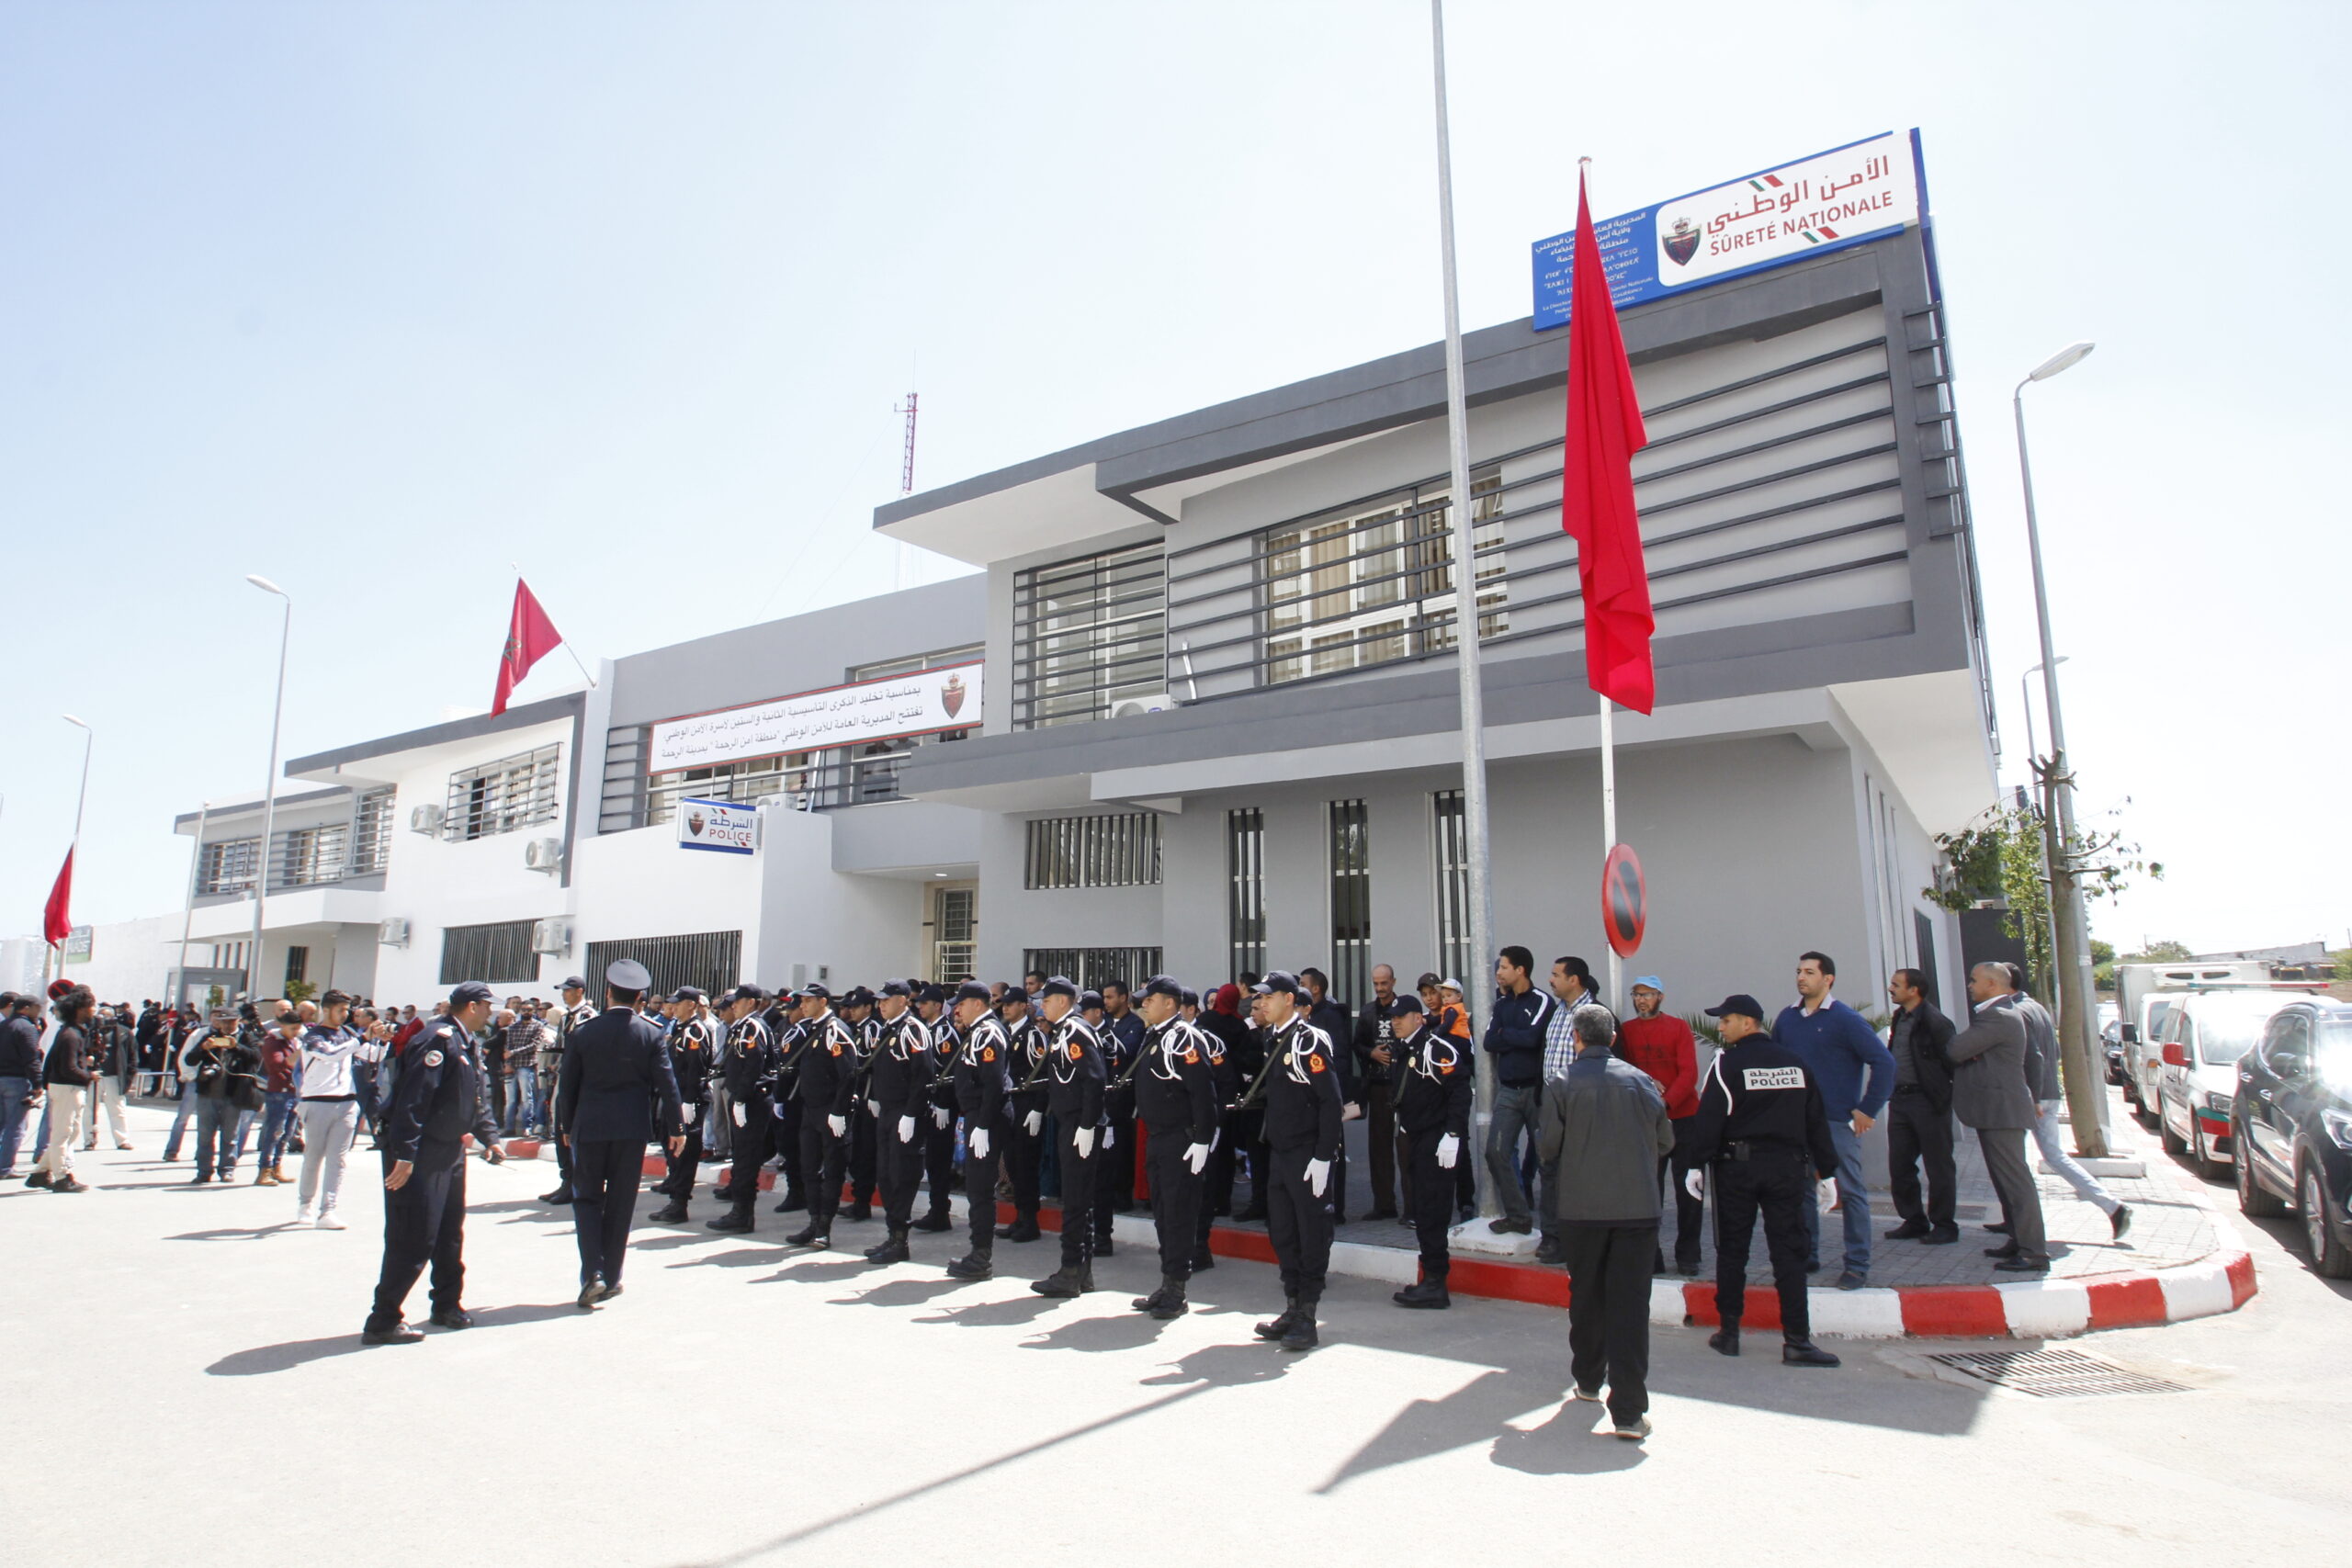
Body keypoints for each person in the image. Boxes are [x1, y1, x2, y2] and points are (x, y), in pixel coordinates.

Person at [1537, 1005, 1677, 1439]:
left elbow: (1547, 1147)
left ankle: (1587, 1380)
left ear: (1576, 1038)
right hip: (1638, 1209)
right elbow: (1665, 1140)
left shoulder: (1561, 1085)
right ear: (1612, 1039)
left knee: (1587, 1296)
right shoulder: (1642, 1083)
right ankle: (1630, 1413)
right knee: (1631, 1307)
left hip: (1581, 1211)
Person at [1684, 994, 1843, 1368]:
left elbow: (1710, 1118)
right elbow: (1815, 1121)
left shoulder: (1726, 1063)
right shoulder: (1794, 1062)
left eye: (1726, 1020)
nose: (1720, 1028)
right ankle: (1797, 1341)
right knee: (1790, 1254)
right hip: (1787, 1170)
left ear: (1748, 1023)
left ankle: (1729, 1333)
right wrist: (1828, 1172)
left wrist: (1695, 1164)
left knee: (1733, 1251)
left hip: (1737, 1169)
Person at [360, 981, 507, 1345]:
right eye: (487, 1006)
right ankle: (383, 1319)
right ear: (472, 1006)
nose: (490, 1013)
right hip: (421, 1152)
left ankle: (446, 1303)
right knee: (413, 1235)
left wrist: (489, 1136)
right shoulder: (437, 1039)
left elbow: (472, 1096)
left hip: (448, 1150)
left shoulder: (463, 1041)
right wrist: (406, 1154)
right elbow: (414, 1101)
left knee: (448, 1232)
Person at [558, 959, 685, 1308]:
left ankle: (593, 1274)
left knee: (586, 1201)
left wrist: (565, 1127)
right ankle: (611, 1277)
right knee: (620, 1203)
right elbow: (667, 1084)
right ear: (640, 997)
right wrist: (676, 1127)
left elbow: (566, 1087)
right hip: (631, 1130)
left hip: (590, 1127)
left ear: (609, 992)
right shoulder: (650, 1033)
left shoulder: (583, 1032)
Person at [1771, 952, 1895, 1290]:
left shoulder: (1846, 1020)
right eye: (1799, 971)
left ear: (1828, 979)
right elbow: (1775, 1065)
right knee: (1802, 1190)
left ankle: (1857, 1264)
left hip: (1837, 1121)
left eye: (1809, 972)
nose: (1801, 977)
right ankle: (1807, 1253)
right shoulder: (1787, 1019)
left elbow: (1883, 1063)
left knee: (1850, 1192)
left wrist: (1868, 1109)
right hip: (1796, 1121)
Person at [1246, 973, 1343, 1351]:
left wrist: (1323, 1155)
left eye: (1268, 998)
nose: (1262, 1004)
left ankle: (1307, 1313)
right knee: (1283, 1232)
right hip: (1281, 1152)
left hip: (1307, 1153)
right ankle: (1291, 1304)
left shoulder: (1308, 1040)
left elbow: (1330, 1102)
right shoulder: (1273, 1039)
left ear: (1289, 999)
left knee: (1311, 1232)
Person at [2004, 963, 2131, 1240]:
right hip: (2048, 1092)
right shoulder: (2037, 1008)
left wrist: (2033, 1096)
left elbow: (2032, 1057)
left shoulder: (2016, 1012)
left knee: (2020, 1159)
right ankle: (2014, 1218)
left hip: (2033, 1097)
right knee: (2048, 1156)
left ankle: (2111, 1206)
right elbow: (2055, 1052)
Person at [1948, 964, 2049, 1273]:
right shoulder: (2006, 1014)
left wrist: (1972, 1053)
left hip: (2002, 1109)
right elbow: (2033, 1058)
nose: (1969, 985)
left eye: (1974, 980)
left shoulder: (1997, 1016)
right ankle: (2018, 1240)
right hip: (2000, 1108)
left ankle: (2033, 1252)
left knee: (2016, 1183)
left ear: (1991, 984)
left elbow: (1955, 1049)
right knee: (2005, 1181)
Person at [1126, 976, 1217, 1319]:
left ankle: (1177, 1289)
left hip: (1181, 1138)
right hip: (1159, 1136)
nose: (1143, 1005)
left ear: (1169, 1003)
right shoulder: (1156, 1035)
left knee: (1179, 1215)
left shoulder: (1185, 1039)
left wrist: (1202, 1140)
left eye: (1149, 1000)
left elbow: (1203, 1095)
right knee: (1163, 1214)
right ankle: (1167, 1282)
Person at [1388, 991, 1471, 1309]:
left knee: (1433, 1209)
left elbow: (1459, 1092)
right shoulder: (1403, 1048)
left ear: (1418, 1018)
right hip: (1417, 1137)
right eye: (1393, 1018)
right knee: (1421, 1208)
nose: (1395, 1022)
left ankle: (1436, 1282)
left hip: (1437, 1140)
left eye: (1401, 1017)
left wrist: (1453, 1134)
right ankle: (1429, 1277)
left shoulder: (1437, 1049)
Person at [1617, 976, 1702, 1275]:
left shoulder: (1678, 1028)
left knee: (1689, 1189)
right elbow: (1625, 1069)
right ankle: (1651, 1255)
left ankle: (1689, 1254)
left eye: (1648, 995)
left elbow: (1688, 1072)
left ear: (1660, 997)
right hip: (1646, 1122)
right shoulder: (1626, 1032)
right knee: (1648, 1190)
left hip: (1684, 1117)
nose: (1641, 1000)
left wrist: (1666, 1103)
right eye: (1637, 995)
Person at [1532, 956, 1615, 1264]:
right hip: (1553, 1106)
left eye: (1556, 975)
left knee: (1580, 1176)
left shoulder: (1594, 1015)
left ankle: (1579, 1238)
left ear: (1574, 979)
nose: (1551, 980)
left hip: (1582, 1108)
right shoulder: (1557, 1013)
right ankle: (1553, 1237)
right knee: (1550, 1172)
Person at [1029, 976, 1107, 1298]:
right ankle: (1082, 1272)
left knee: (1075, 1200)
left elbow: (1094, 1080)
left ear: (1063, 1001)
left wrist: (1087, 1125)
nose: (1042, 1005)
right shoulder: (1064, 1031)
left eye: (1046, 1001)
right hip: (1071, 1122)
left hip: (1078, 1125)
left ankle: (1070, 1270)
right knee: (1078, 1199)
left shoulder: (1074, 1031)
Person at [1479, 946, 1558, 1237]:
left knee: (1547, 1159)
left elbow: (1533, 1038)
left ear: (1520, 970)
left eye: (1503, 967)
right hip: (1509, 1092)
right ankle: (1519, 1215)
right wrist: (1513, 1037)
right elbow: (1489, 1042)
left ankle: (1553, 1228)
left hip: (1537, 1092)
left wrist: (1506, 1036)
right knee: (1496, 1152)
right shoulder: (1500, 1006)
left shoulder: (1541, 1001)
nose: (1498, 973)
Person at [1881, 967, 1960, 1247]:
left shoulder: (1936, 1022)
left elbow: (1952, 1062)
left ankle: (1944, 1224)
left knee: (1938, 1166)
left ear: (1914, 990)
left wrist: (1941, 1097)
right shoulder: (1900, 1017)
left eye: (1896, 985)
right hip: (1900, 1101)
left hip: (1928, 1102)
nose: (1891, 989)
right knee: (1900, 1165)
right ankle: (1914, 1220)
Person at [944, 981, 1010, 1280]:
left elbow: (994, 1084)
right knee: (976, 1187)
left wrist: (982, 1124)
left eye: (963, 1003)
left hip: (986, 1118)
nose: (958, 1009)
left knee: (981, 1189)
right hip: (977, 1116)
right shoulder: (978, 1032)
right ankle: (978, 1251)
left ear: (978, 1005)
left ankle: (981, 1257)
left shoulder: (988, 1033)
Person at [784, 986, 855, 1249]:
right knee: (809, 1168)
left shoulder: (835, 1030)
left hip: (830, 1111)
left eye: (809, 1000)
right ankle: (813, 1221)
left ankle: (824, 1227)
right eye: (801, 1001)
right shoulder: (812, 1028)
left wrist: (839, 1110)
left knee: (832, 1170)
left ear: (823, 1001)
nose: (803, 1005)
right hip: (810, 1109)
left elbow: (848, 1074)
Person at [706, 987, 780, 1235]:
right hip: (743, 1099)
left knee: (746, 1159)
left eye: (736, 1002)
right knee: (741, 1157)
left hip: (751, 1102)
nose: (732, 1007)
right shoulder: (742, 1027)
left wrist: (741, 1099)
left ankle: (742, 1214)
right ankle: (739, 1210)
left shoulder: (752, 1028)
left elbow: (754, 1065)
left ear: (750, 1003)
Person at [295, 990, 365, 1228]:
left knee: (338, 1160)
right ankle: (305, 1204)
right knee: (313, 1157)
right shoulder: (312, 1036)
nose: (345, 1015)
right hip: (317, 1102)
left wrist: (381, 1040)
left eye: (348, 1010)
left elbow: (370, 1055)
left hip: (346, 1102)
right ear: (326, 1010)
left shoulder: (349, 1033)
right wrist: (361, 1041)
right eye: (341, 1010)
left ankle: (328, 1211)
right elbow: (330, 1055)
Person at [649, 988, 718, 1223]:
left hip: (689, 1102)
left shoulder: (696, 1031)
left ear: (691, 1005)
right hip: (676, 1099)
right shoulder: (681, 1028)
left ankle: (679, 1204)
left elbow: (696, 1070)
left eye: (677, 1004)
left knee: (685, 1153)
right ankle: (674, 1197)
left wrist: (689, 1100)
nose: (673, 1008)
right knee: (673, 1151)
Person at [28, 986, 97, 1193]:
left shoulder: (72, 1033)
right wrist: (89, 1075)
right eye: (91, 1006)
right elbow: (68, 1068)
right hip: (67, 1088)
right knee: (62, 1134)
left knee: (71, 1131)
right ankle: (62, 1177)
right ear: (81, 1009)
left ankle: (40, 1173)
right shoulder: (70, 1035)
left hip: (68, 1088)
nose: (94, 1010)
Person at [995, 987, 1050, 1246]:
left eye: (1011, 1004)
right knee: (1014, 1165)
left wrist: (1038, 1109)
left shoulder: (1033, 1036)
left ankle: (1030, 1221)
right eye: (1004, 1004)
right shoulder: (1007, 1032)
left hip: (1027, 1106)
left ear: (1024, 1006)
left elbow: (1042, 1074)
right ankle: (1020, 1216)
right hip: (1011, 1106)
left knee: (1026, 1165)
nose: (1006, 1008)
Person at [1351, 964, 1403, 1222]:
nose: (1380, 988)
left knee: (1406, 1146)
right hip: (1378, 1087)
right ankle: (1384, 1204)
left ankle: (1414, 1206)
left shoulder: (1405, 1009)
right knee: (1379, 1148)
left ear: (1393, 981)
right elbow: (1357, 1043)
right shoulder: (1368, 1011)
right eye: (1376, 984)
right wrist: (1371, 1053)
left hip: (1403, 1086)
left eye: (1384, 983)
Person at [540, 976, 596, 1205]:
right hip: (565, 1077)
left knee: (570, 1128)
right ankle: (567, 1180)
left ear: (580, 991)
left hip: (580, 1082)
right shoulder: (568, 1016)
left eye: (568, 990)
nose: (564, 994)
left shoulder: (587, 1016)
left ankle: (576, 1183)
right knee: (559, 1125)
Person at [182, 1010, 254, 1184]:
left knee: (230, 1135)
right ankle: (204, 1171)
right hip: (208, 1092)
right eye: (224, 1022)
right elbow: (189, 1060)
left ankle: (227, 1169)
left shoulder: (246, 1037)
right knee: (205, 1134)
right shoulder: (210, 1037)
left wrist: (236, 1047)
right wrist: (203, 1049)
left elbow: (256, 1058)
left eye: (232, 1022)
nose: (228, 1026)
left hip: (234, 1093)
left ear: (238, 1021)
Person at [254, 1013, 303, 1185]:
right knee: (274, 1131)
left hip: (293, 1091)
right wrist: (299, 1053)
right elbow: (277, 1065)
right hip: (278, 1092)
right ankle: (264, 1170)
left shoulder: (294, 1041)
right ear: (282, 1026)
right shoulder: (272, 1041)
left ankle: (276, 1166)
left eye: (298, 1028)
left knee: (287, 1133)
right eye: (293, 1029)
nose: (296, 1032)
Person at [0, 992, 44, 1179]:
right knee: (15, 1126)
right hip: (16, 1080)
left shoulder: (4, 1025)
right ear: (26, 1008)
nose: (38, 1013)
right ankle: (5, 1167)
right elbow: (30, 1058)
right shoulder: (26, 1027)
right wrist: (37, 1084)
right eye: (37, 1009)